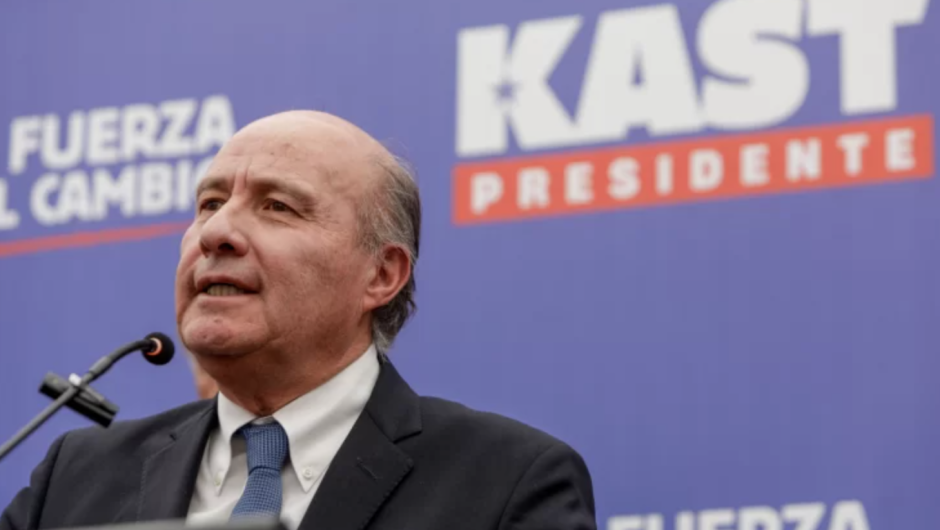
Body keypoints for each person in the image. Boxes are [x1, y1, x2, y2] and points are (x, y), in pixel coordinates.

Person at [0, 111, 596, 530]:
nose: (216, 232)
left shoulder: (506, 481)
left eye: (277, 206)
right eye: (209, 204)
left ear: (381, 274)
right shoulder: (75, 476)